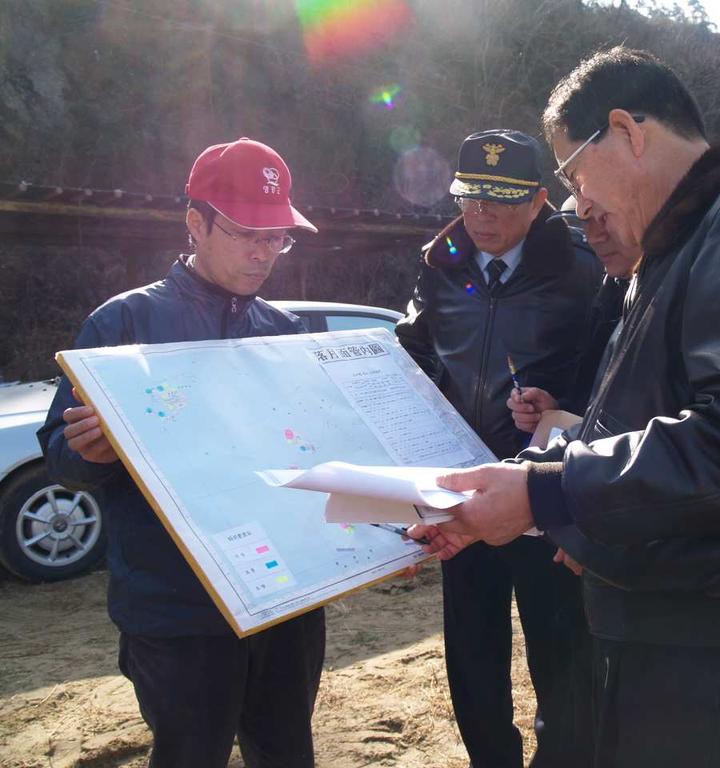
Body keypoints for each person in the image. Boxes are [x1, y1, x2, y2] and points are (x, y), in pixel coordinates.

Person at [412, 47, 720, 768]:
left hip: (719, 661)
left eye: (572, 173)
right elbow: (652, 427)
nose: (575, 202)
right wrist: (558, 503)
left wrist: (547, 492)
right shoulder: (683, 244)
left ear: (626, 130)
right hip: (670, 636)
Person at [37, 138, 325, 768]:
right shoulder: (123, 326)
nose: (263, 252)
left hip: (286, 596)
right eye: (247, 232)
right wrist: (93, 453)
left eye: (277, 236)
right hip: (178, 608)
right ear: (195, 223)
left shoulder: (281, 331)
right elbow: (61, 453)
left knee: (286, 752)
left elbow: (309, 452)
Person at [394, 129, 600, 768]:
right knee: (471, 651)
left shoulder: (583, 269)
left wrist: (559, 402)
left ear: (540, 200)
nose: (482, 213)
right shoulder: (442, 262)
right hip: (461, 490)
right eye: (471, 196)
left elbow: (610, 375)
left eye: (502, 199)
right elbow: (423, 351)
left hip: (542, 493)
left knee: (560, 652)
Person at [507, 195, 639, 436]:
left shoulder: (673, 297)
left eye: (605, 222)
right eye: (583, 228)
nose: (593, 238)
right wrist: (557, 411)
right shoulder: (613, 288)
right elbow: (596, 393)